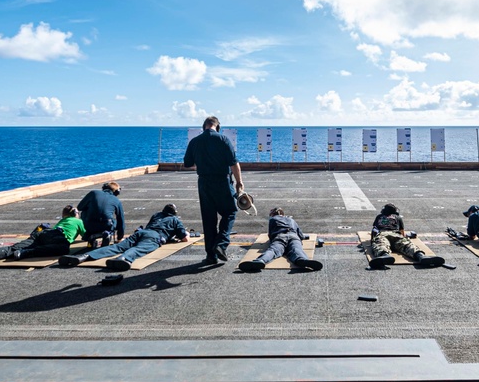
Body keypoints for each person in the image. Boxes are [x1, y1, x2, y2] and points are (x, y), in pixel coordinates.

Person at [183, 116, 244, 263]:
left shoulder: (195, 141)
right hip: (222, 181)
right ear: (217, 126)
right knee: (230, 212)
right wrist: (239, 183)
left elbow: (187, 163)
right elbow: (234, 163)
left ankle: (211, 256)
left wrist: (203, 161)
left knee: (208, 218)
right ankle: (221, 244)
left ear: (204, 126)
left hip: (204, 182)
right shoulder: (223, 139)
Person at [58, 203, 190, 271]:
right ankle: (124, 258)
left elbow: (149, 225)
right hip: (155, 236)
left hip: (142, 232)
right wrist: (187, 233)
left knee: (117, 246)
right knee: (139, 249)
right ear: (174, 213)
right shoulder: (174, 220)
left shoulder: (156, 215)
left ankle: (83, 256)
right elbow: (184, 238)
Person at [0, 205, 85, 268]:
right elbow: (85, 235)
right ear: (76, 214)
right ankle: (25, 253)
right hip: (58, 237)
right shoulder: (78, 221)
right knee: (62, 249)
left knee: (13, 248)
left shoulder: (63, 220)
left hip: (43, 233)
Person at [239, 207, 323, 273]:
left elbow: (270, 234)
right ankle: (302, 260)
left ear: (272, 214)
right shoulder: (291, 220)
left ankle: (260, 261)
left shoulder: (272, 219)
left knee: (273, 251)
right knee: (297, 250)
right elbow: (300, 235)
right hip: (293, 236)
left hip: (280, 236)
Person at [368, 203, 445, 268]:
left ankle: (385, 255)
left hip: (383, 233)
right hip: (396, 234)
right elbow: (402, 231)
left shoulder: (379, 216)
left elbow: (374, 229)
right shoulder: (397, 217)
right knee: (407, 245)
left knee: (381, 244)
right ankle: (420, 256)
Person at [77, 182, 125, 248]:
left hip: (90, 225)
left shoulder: (93, 193)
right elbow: (121, 220)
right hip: (106, 225)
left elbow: (80, 207)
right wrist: (120, 237)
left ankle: (89, 235)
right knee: (115, 221)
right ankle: (107, 234)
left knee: (84, 212)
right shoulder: (117, 200)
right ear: (117, 192)